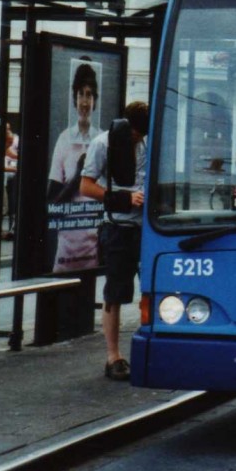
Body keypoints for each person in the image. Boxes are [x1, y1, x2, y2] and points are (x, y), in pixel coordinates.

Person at [79, 100, 149, 381]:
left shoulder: (145, 143)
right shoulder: (102, 144)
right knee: (116, 292)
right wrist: (123, 199)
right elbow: (85, 186)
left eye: (141, 136)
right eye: (135, 135)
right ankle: (113, 356)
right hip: (119, 226)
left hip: (146, 227)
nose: (138, 140)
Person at [47, 62, 99, 203]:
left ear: (95, 100)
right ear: (75, 100)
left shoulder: (102, 139)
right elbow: (52, 200)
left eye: (89, 95)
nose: (84, 102)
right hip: (71, 221)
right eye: (80, 95)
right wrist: (77, 178)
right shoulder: (64, 139)